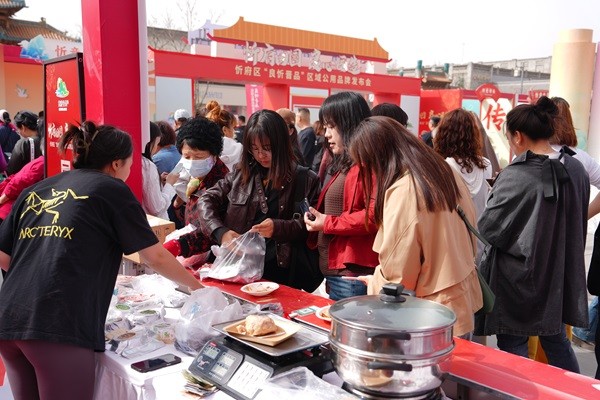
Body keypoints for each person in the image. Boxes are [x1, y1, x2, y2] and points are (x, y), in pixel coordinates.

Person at [0, 121, 202, 400]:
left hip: (9, 318)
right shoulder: (111, 189)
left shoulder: (38, 189)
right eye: (131, 162)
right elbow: (154, 256)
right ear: (117, 163)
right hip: (57, 326)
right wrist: (198, 289)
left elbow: (4, 256)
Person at [475, 97, 589, 373]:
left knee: (513, 342)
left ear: (518, 136)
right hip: (560, 275)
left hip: (518, 279)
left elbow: (488, 228)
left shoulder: (517, 174)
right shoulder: (576, 168)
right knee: (556, 340)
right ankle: (572, 390)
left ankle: (521, 390)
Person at [347, 116, 482, 337]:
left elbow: (398, 277)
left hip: (429, 316)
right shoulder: (443, 170)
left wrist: (374, 282)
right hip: (459, 301)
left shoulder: (406, 190)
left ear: (378, 159)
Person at [197, 109, 320, 286]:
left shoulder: (305, 179)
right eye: (254, 148)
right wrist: (221, 232)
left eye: (267, 148)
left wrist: (278, 227)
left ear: (281, 143)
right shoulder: (241, 174)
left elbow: (311, 224)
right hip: (239, 267)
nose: (261, 155)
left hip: (281, 272)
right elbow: (206, 200)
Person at [303, 92, 379, 300]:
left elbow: (373, 216)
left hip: (350, 276)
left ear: (349, 124)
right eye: (325, 127)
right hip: (339, 274)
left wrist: (327, 223)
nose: (326, 134)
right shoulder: (348, 163)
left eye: (331, 126)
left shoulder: (366, 165)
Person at [161, 117, 230, 264]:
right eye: (187, 156)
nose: (192, 162)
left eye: (199, 156)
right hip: (195, 255)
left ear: (214, 154)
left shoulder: (222, 184)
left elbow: (211, 231)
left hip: (215, 259)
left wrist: (178, 245)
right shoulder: (196, 179)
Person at [434, 109, 492, 220]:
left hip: (453, 229)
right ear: (474, 134)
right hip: (480, 228)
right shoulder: (486, 164)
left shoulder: (443, 167)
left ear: (443, 135)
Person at [142, 121, 177, 220]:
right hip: (154, 223)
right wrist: (170, 184)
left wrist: (158, 181)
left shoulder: (136, 161)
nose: (157, 148)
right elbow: (157, 208)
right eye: (156, 144)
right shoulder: (148, 166)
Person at [205, 100, 243, 171]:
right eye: (233, 127)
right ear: (225, 130)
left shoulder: (203, 148)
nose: (234, 131)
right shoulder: (240, 149)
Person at [6, 111, 42, 176]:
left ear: (23, 127)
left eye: (18, 130)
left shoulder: (23, 143)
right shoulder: (47, 140)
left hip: (29, 181)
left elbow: (11, 170)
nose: (18, 133)